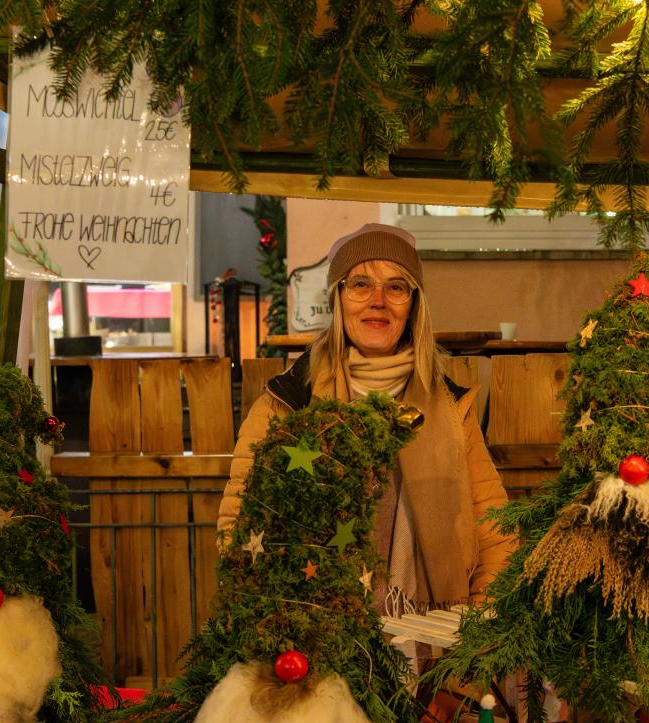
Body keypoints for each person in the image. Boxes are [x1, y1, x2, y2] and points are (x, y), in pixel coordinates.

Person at [219, 223, 515, 612]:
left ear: (413, 304)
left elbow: (495, 535)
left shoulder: (452, 409)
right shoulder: (287, 404)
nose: (378, 301)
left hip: (434, 633)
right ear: (338, 297)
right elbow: (239, 527)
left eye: (396, 287)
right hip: (322, 629)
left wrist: (475, 623)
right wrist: (281, 623)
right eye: (360, 284)